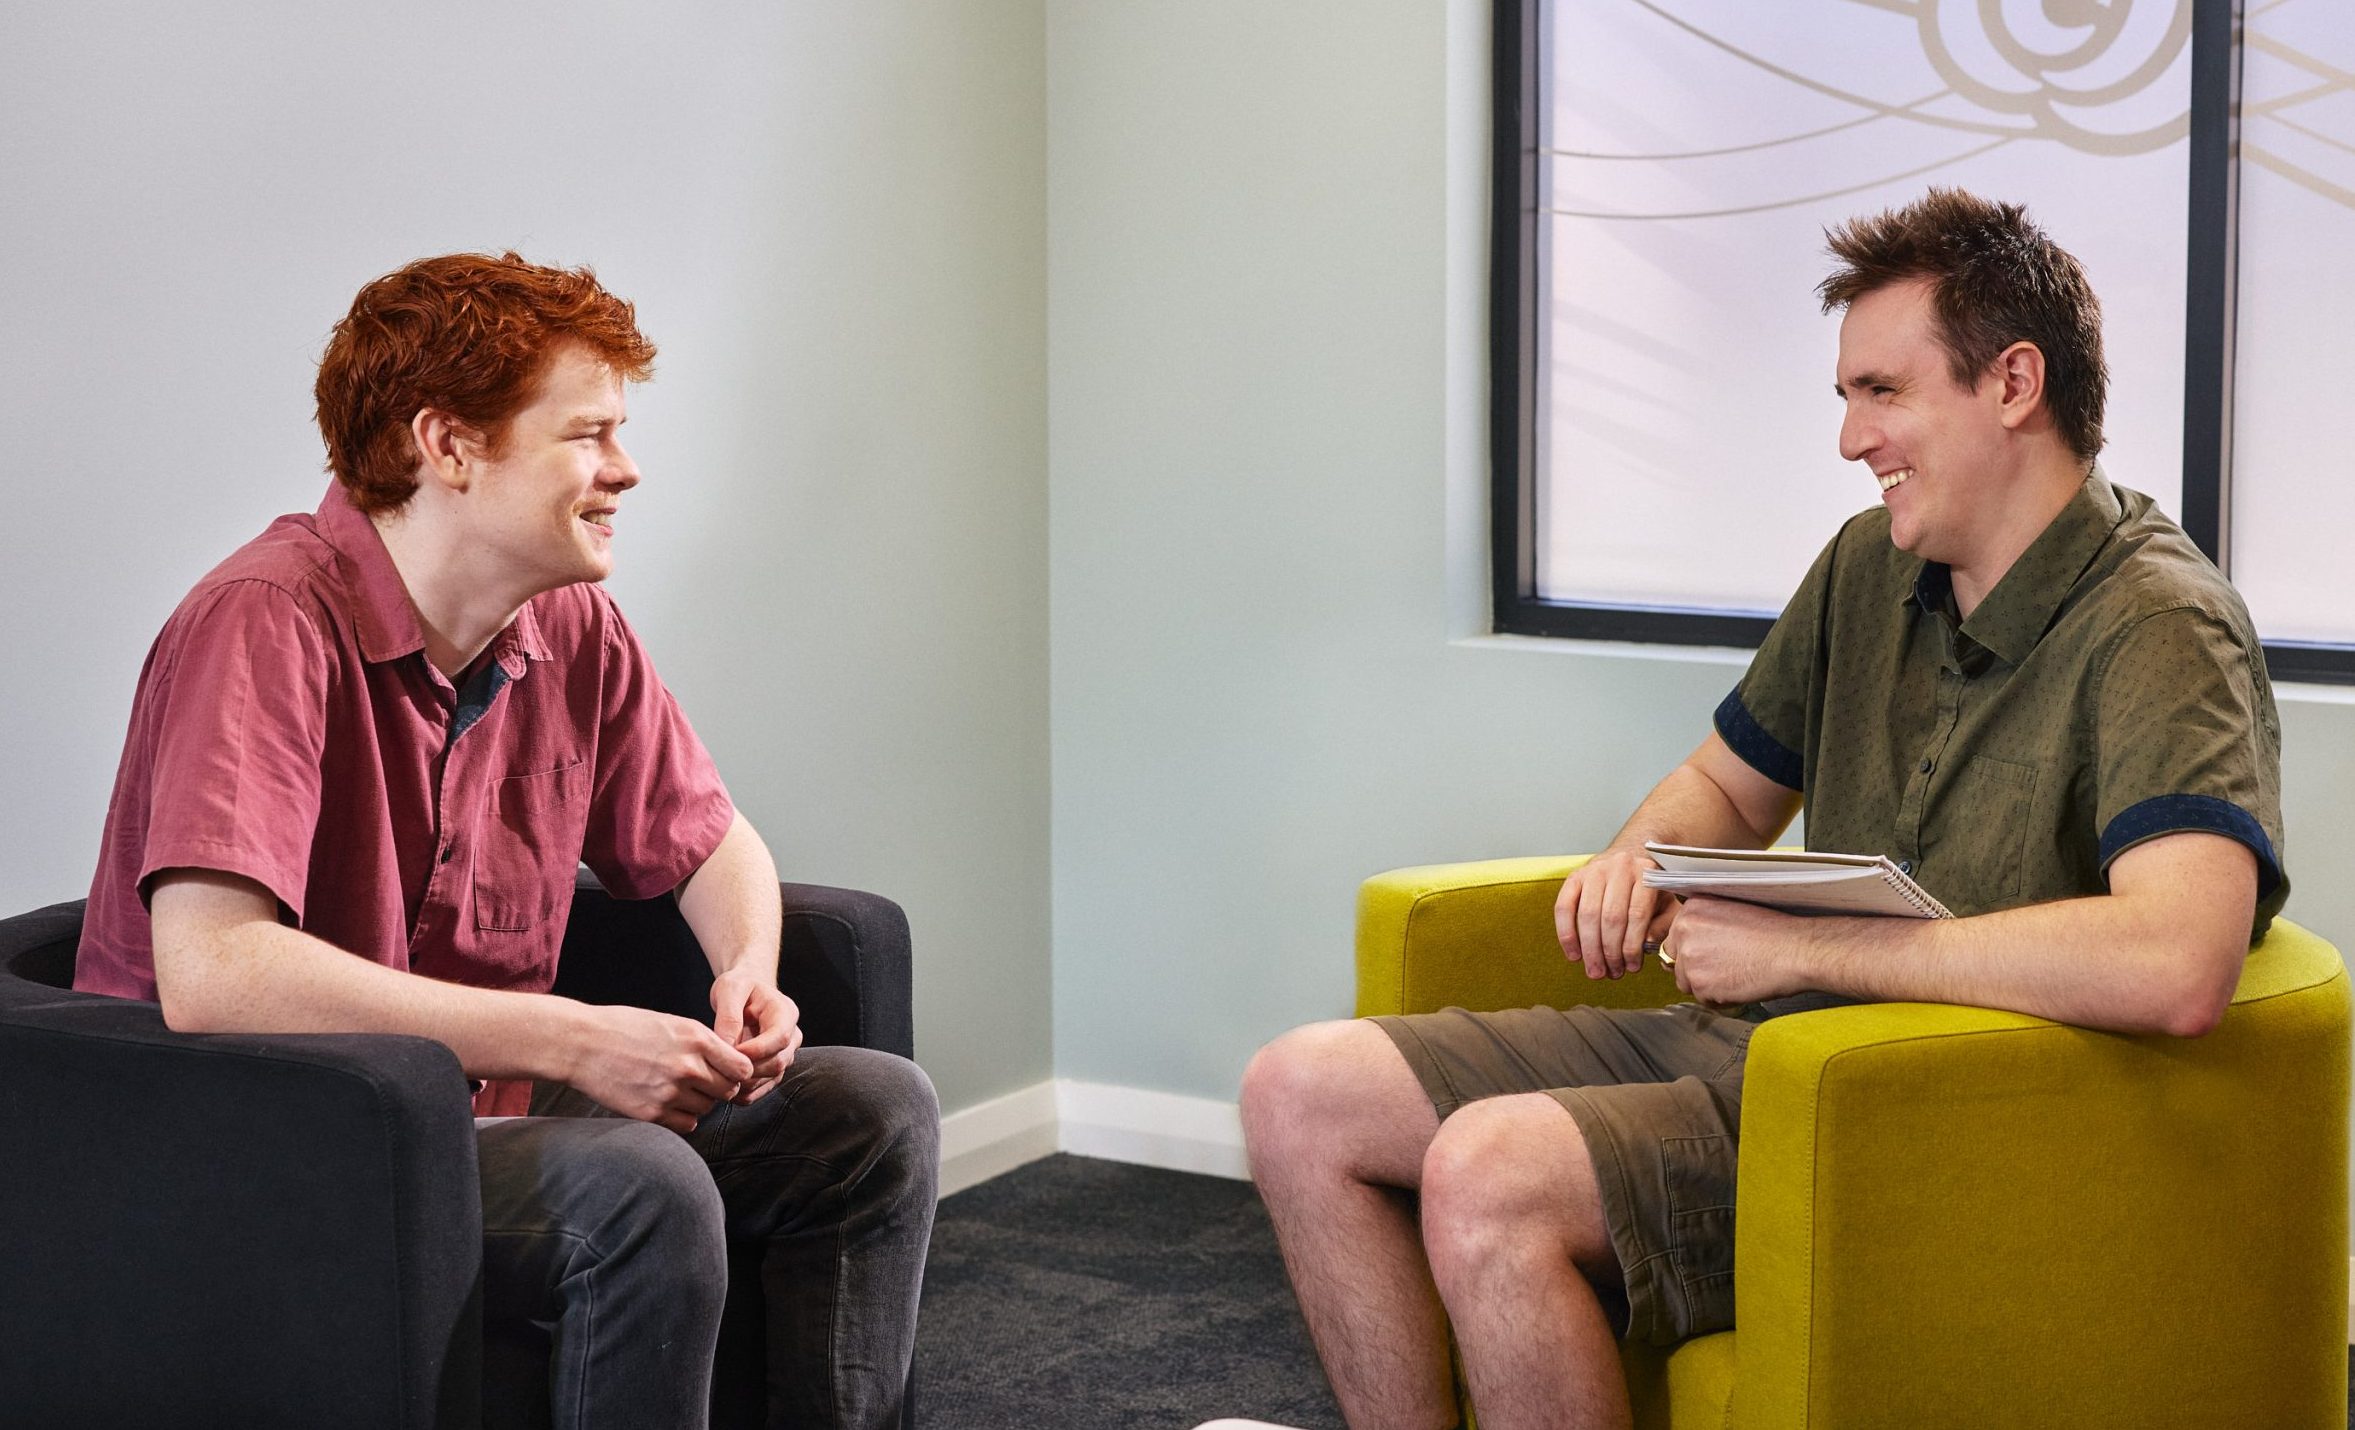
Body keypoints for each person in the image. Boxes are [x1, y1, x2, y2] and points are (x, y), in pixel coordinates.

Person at [1239, 188, 2287, 1430]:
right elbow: (1730, 784)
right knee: (1298, 1091)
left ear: (2014, 384)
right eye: (1846, 396)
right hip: (1750, 1049)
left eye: (1883, 392)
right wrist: (1639, 855)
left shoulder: (2161, 623)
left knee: (1488, 1172)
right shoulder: (1868, 563)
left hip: (1919, 1115)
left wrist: (1801, 945)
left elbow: (2181, 958)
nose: (1851, 438)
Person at [74, 252, 939, 1430]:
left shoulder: (570, 625)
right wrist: (578, 1038)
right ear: (450, 443)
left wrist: (746, 968)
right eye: (588, 435)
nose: (625, 469)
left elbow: (709, 840)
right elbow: (217, 968)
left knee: (872, 1112)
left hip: (473, 1124)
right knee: (640, 1187)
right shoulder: (265, 619)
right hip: (276, 1140)